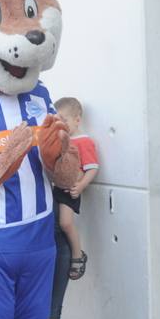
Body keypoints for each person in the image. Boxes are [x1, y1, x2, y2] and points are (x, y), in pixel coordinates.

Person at [52, 97, 99, 283]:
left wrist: (81, 186)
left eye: (64, 120)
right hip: (57, 188)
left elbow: (92, 168)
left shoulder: (84, 142)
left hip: (71, 190)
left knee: (65, 223)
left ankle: (78, 254)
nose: (61, 125)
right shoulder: (61, 140)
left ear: (77, 120)